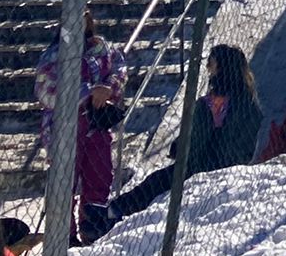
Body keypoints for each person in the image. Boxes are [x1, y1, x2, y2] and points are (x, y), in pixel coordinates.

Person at [110, 45, 265, 222]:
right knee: (156, 180)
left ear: (222, 66)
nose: (208, 68)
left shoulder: (208, 104)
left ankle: (114, 211)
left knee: (156, 181)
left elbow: (197, 143)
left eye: (211, 64)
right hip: (233, 162)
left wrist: (181, 148)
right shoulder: (249, 102)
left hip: (201, 165)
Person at [35, 10, 127, 243]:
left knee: (100, 174)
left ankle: (93, 225)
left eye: (84, 16)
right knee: (64, 180)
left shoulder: (102, 49)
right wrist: (87, 92)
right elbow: (45, 90)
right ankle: (63, 236)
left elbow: (119, 70)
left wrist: (108, 89)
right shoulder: (53, 55)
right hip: (65, 126)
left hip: (96, 123)